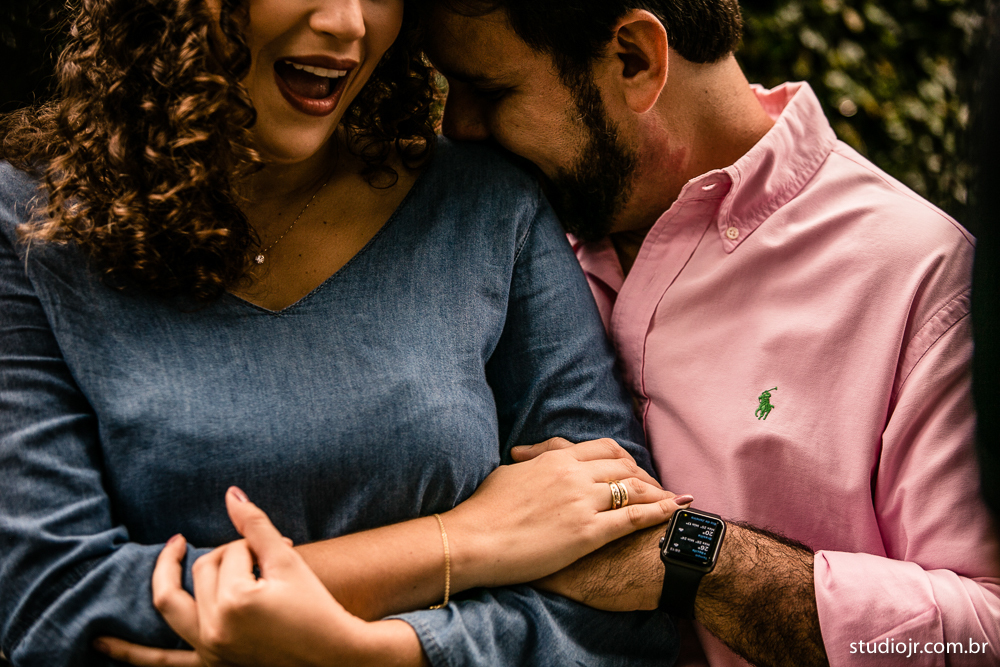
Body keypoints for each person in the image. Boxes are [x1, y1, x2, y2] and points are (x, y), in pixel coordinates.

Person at [0, 0, 691, 665]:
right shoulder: (30, 227)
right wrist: (469, 540)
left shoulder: (485, 205)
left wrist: (385, 654)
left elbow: (628, 590)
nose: (347, 23)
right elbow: (53, 599)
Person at [415, 1, 999, 666]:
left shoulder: (922, 279)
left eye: (489, 90)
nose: (455, 126)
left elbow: (985, 630)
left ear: (635, 58)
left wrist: (699, 560)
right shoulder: (489, 241)